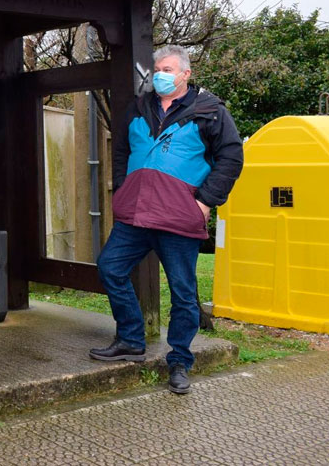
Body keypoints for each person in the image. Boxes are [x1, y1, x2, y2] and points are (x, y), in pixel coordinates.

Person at [90, 45, 243, 395]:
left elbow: (232, 157)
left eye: (169, 69)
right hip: (136, 214)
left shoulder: (210, 111)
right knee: (110, 267)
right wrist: (122, 189)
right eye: (158, 68)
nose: (161, 74)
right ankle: (130, 339)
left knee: (183, 292)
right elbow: (122, 151)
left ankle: (179, 361)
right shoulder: (138, 108)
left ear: (186, 74)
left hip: (179, 216)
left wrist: (205, 202)